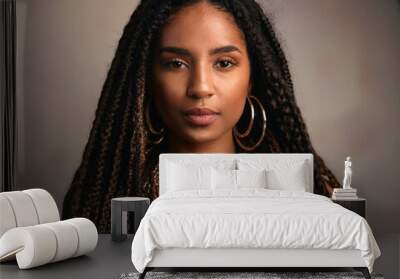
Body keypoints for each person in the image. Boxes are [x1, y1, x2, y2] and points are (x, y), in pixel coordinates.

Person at [62, 0, 340, 233]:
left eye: (224, 63)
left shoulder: (312, 195)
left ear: (252, 78)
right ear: (146, 79)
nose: (200, 88)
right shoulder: (105, 202)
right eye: (176, 64)